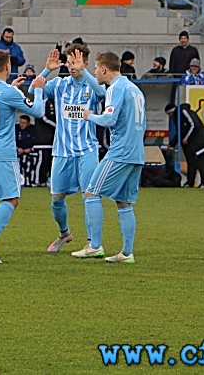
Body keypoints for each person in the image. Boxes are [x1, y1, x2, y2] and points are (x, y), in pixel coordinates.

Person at [0, 49, 45, 264]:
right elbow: (37, 112)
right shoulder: (9, 93)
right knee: (12, 198)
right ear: (8, 67)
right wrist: (39, 91)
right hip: (2, 153)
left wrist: (11, 89)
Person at [76, 51, 145, 264]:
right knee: (124, 202)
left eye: (96, 68)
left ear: (104, 69)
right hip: (137, 153)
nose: (95, 72)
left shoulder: (115, 88)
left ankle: (94, 246)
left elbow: (109, 119)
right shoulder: (135, 89)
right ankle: (126, 253)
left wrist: (89, 116)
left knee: (91, 193)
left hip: (121, 152)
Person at [38, 43, 107, 254]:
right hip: (62, 151)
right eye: (69, 63)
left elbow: (102, 92)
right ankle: (64, 233)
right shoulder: (59, 84)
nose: (72, 66)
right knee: (56, 200)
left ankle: (91, 243)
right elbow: (35, 89)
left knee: (90, 196)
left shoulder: (91, 86)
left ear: (86, 63)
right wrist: (47, 70)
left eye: (76, 62)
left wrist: (85, 73)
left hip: (87, 149)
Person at [165, 103, 204, 188]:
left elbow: (194, 125)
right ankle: (189, 182)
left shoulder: (184, 111)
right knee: (191, 162)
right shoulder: (176, 118)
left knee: (202, 162)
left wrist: (187, 138)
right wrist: (172, 143)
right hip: (189, 144)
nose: (170, 116)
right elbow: (180, 132)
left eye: (169, 114)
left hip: (200, 141)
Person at [15, 115, 41, 187]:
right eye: (20, 122)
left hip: (31, 152)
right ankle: (19, 182)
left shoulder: (34, 130)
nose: (21, 124)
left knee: (30, 161)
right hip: (18, 152)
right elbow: (11, 141)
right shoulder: (15, 128)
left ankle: (30, 182)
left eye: (24, 123)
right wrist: (17, 148)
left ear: (28, 123)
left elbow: (37, 142)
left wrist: (30, 149)